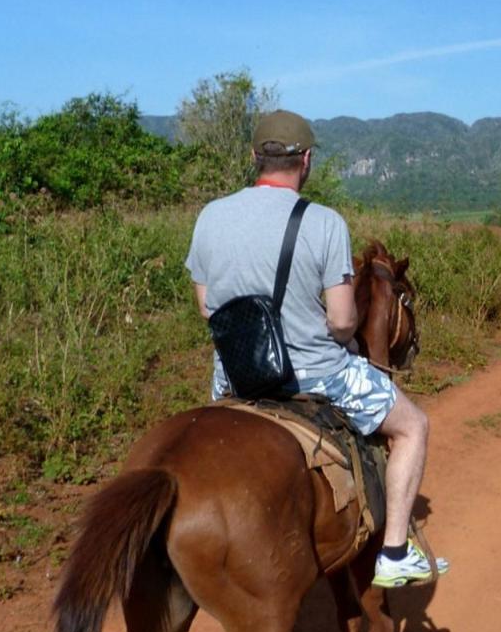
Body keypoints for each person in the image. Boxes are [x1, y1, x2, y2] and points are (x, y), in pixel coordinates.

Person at [185, 110, 448, 588]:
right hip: (313, 374)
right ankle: (392, 552)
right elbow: (344, 320)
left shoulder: (210, 216)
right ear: (305, 161)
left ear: (254, 157)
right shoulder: (324, 222)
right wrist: (341, 340)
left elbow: (207, 308)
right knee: (414, 426)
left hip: (233, 376)